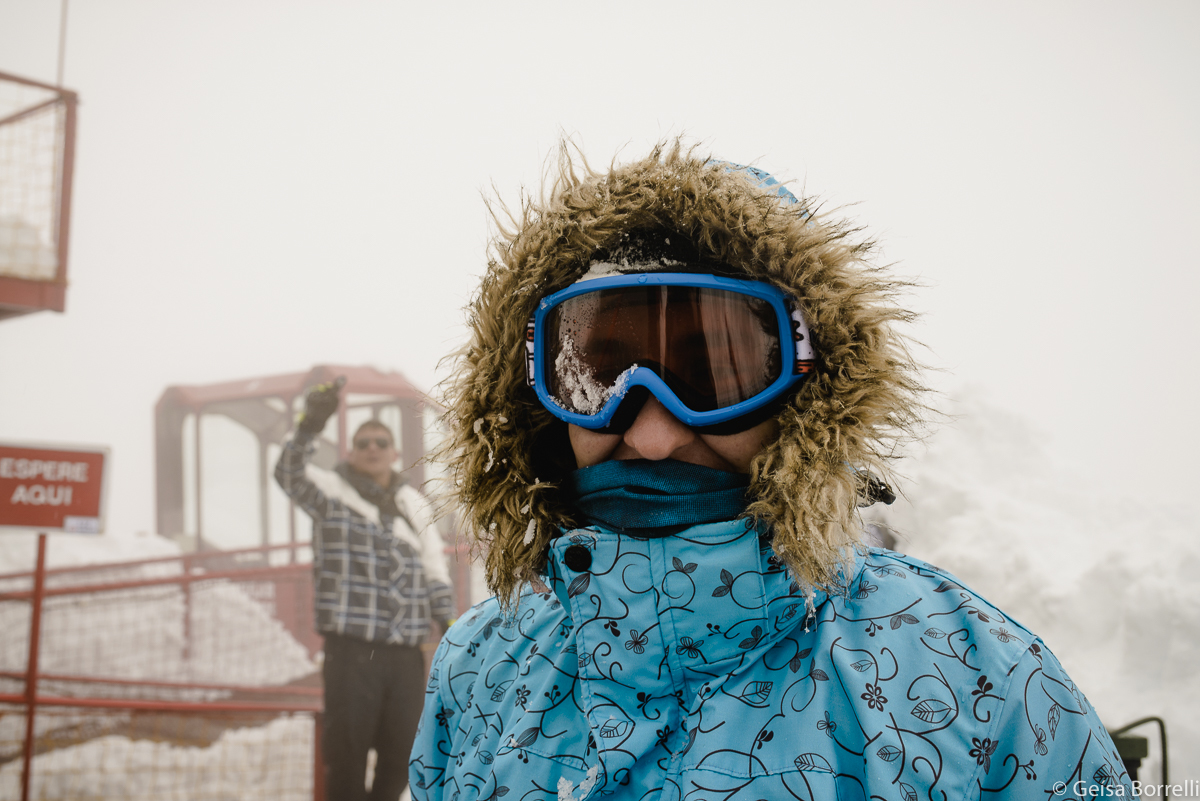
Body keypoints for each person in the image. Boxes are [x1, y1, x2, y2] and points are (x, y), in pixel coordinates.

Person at [411, 143, 1134, 800]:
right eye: (598, 375)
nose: (655, 433)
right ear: (540, 398)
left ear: (807, 392)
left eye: (716, 373)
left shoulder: (976, 674)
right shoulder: (479, 669)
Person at [274, 377, 454, 801]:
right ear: (351, 453)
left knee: (403, 757)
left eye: (381, 441)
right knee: (347, 760)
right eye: (363, 442)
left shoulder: (414, 504)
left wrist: (447, 622)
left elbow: (434, 566)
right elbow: (288, 472)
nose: (372, 448)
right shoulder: (330, 493)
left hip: (406, 654)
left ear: (395, 454)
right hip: (351, 651)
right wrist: (310, 423)